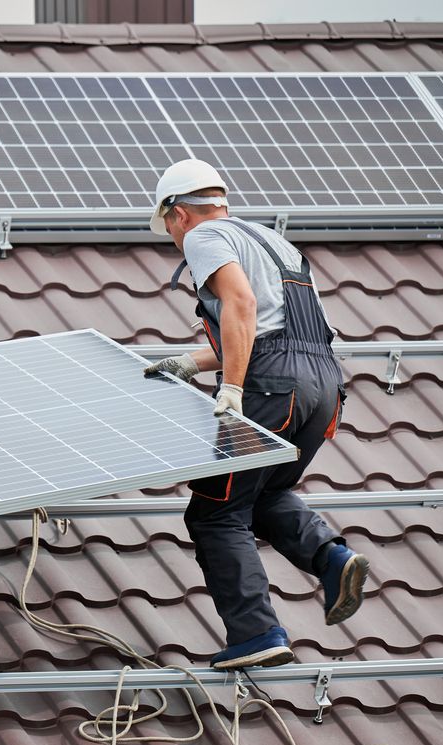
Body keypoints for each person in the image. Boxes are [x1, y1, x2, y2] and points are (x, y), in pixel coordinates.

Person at [142, 159, 369, 670]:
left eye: (170, 231)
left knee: (215, 512)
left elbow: (241, 307)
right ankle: (333, 559)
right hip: (322, 388)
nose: (175, 242)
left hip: (272, 385)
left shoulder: (205, 237)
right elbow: (279, 333)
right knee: (263, 491)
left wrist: (234, 387)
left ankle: (257, 633)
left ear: (178, 214)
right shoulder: (273, 242)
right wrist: (193, 361)